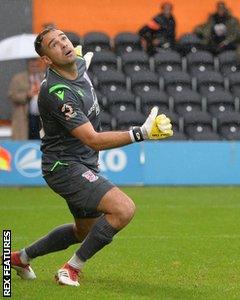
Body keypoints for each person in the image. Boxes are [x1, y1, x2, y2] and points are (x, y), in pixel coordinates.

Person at [9, 28, 173, 287]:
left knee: (83, 231)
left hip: (83, 162)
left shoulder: (78, 64)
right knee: (123, 209)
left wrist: (79, 60)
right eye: (54, 44)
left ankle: (20, 258)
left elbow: (79, 61)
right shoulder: (56, 92)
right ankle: (71, 269)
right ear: (47, 60)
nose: (63, 44)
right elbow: (92, 139)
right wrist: (140, 134)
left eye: (63, 38)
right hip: (63, 166)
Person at [8, 58, 45, 140]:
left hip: (41, 116)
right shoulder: (18, 78)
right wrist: (27, 94)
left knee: (40, 139)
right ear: (28, 65)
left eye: (36, 66)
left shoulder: (44, 77)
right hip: (25, 115)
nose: (34, 68)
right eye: (32, 66)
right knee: (26, 138)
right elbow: (12, 95)